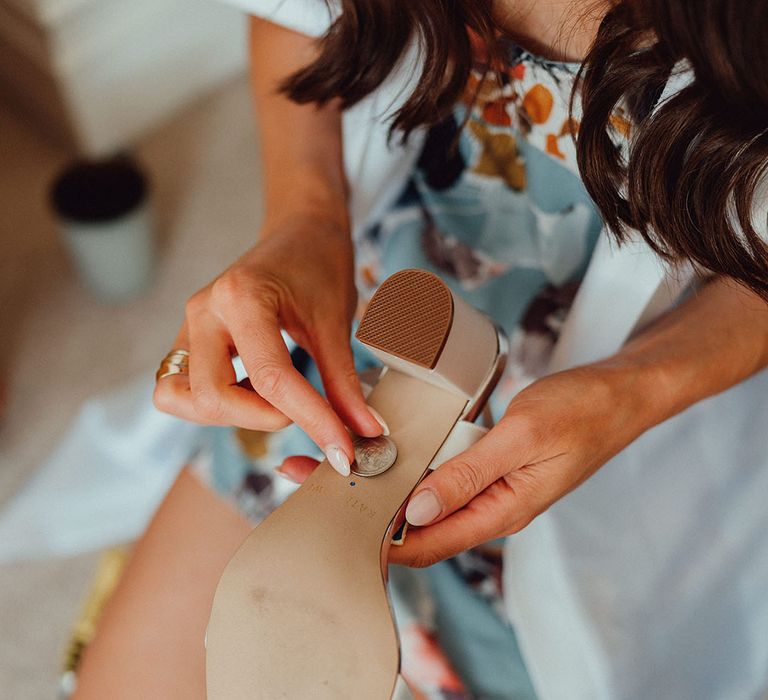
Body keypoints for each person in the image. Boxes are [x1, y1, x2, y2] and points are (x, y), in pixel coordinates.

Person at [73, 1, 768, 698]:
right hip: (373, 340)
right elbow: (296, 11)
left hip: (633, 410)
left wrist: (632, 391)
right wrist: (306, 215)